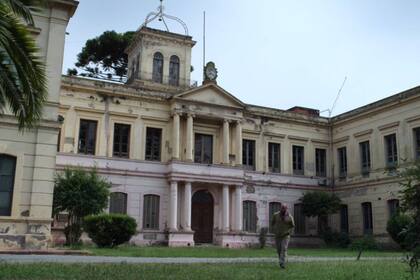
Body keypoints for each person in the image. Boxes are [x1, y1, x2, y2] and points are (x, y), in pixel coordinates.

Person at [271, 204, 295, 269]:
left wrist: (289, 232)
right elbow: (272, 223)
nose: (283, 209)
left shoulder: (290, 217)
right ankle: (281, 260)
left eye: (285, 208)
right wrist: (274, 230)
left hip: (285, 235)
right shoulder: (275, 215)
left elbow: (292, 226)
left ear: (287, 209)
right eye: (282, 208)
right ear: (280, 208)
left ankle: (282, 263)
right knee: (279, 250)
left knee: (284, 249)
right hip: (278, 235)